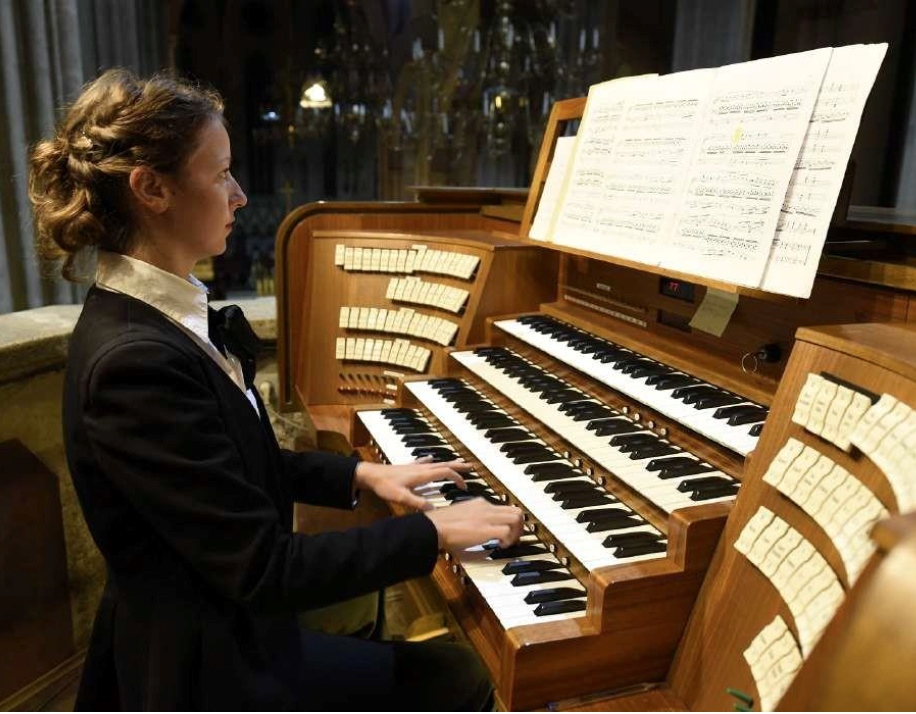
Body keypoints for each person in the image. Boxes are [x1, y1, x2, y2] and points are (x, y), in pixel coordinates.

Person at [28, 67, 526, 711]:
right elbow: (266, 570)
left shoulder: (160, 317)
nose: (239, 196)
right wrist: (434, 533)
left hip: (225, 632)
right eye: (221, 173)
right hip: (205, 672)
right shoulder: (133, 362)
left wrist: (360, 479)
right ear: (151, 188)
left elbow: (227, 465)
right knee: (455, 678)